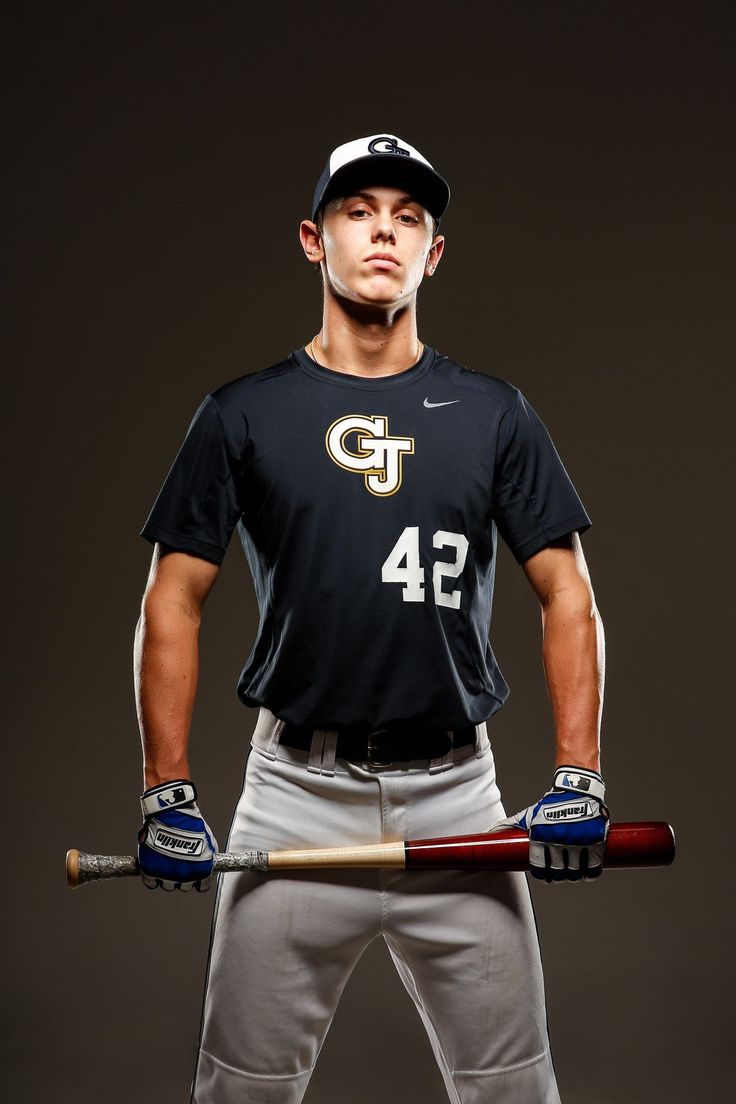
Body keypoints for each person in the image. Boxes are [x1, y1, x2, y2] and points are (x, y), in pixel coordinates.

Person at [134, 133, 608, 1104]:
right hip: (294, 794)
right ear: (314, 239)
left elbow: (569, 594)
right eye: (358, 213)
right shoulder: (242, 415)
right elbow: (172, 599)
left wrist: (577, 775)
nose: (382, 233)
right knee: (240, 1089)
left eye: (407, 217)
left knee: (514, 1086)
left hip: (456, 794)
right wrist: (165, 789)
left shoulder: (491, 413)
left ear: (433, 253)